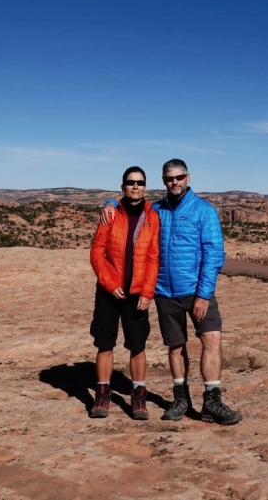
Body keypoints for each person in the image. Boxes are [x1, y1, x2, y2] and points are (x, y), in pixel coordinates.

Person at [104, 159, 242, 425]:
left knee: (211, 339)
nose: (174, 182)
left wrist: (203, 294)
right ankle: (181, 399)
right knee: (175, 346)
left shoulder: (204, 211)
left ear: (188, 177)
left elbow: (213, 254)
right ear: (164, 180)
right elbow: (127, 207)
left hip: (196, 291)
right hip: (165, 292)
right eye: (169, 179)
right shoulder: (155, 211)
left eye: (179, 177)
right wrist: (109, 202)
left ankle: (212, 401)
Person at [88, 166, 160, 420]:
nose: (135, 186)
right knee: (105, 343)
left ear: (145, 186)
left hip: (137, 293)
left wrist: (147, 292)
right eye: (131, 182)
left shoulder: (153, 216)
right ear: (123, 186)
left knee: (137, 345)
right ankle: (102, 394)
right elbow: (97, 253)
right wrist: (110, 283)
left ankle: (138, 396)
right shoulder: (111, 214)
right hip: (109, 293)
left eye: (140, 182)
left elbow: (153, 258)